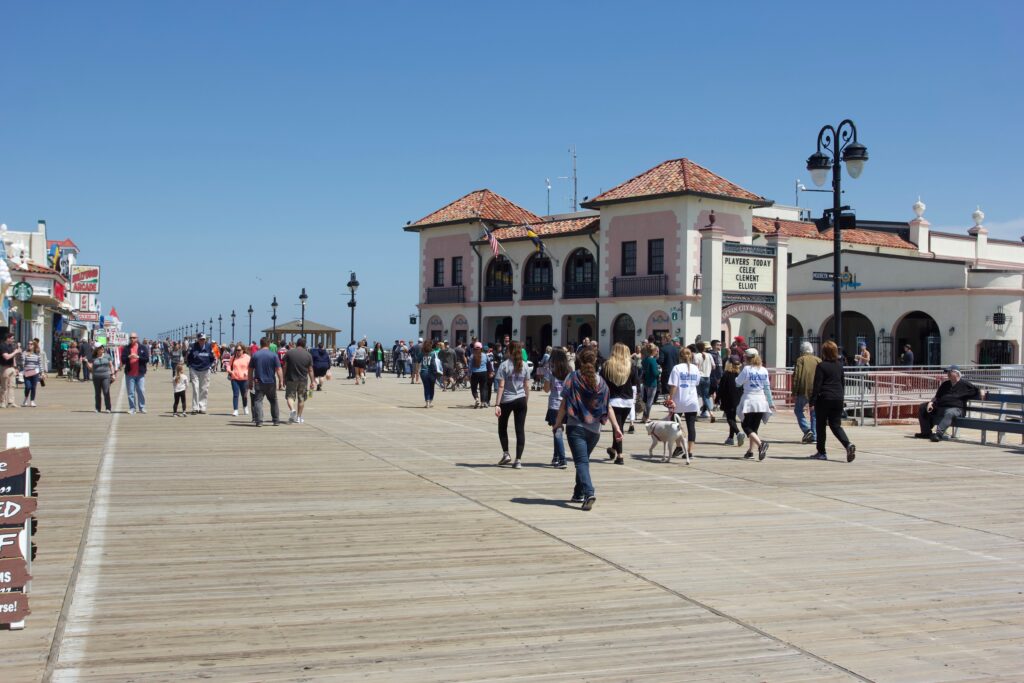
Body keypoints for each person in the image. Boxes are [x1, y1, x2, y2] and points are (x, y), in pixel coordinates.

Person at [551, 347, 618, 511]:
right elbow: (608, 407)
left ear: (580, 361)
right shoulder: (601, 383)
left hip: (576, 427)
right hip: (594, 431)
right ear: (595, 361)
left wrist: (557, 423)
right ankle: (578, 493)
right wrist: (617, 428)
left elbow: (564, 403)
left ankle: (589, 493)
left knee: (581, 462)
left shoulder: (573, 378)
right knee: (583, 461)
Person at [810, 340, 857, 461]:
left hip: (824, 398)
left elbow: (817, 385)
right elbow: (842, 383)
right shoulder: (839, 365)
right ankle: (848, 444)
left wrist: (812, 401)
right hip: (838, 398)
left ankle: (821, 452)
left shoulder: (821, 366)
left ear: (824, 352)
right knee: (835, 425)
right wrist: (841, 397)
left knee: (820, 425)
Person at [916, 365, 983, 442]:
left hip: (957, 409)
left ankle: (938, 434)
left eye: (949, 372)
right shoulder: (945, 384)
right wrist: (931, 402)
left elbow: (977, 390)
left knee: (949, 412)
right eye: (947, 372)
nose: (948, 374)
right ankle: (925, 433)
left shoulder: (965, 384)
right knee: (923, 407)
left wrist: (981, 391)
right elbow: (937, 397)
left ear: (956, 373)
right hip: (941, 407)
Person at [494, 340, 531, 469]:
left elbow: (501, 386)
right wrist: (526, 401)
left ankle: (506, 453)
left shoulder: (504, 365)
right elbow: (527, 386)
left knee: (502, 427)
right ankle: (518, 460)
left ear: (509, 350)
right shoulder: (525, 365)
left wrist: (497, 404)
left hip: (507, 400)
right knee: (519, 430)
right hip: (521, 399)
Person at [601, 343, 636, 465]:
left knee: (617, 428)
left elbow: (602, 383)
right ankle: (613, 449)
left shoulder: (607, 365)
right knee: (619, 427)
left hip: (613, 400)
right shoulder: (631, 366)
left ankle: (620, 456)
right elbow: (635, 383)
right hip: (628, 401)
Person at [736, 348, 774, 461]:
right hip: (761, 401)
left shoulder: (747, 369)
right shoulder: (763, 370)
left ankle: (761, 444)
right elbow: (767, 387)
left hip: (750, 400)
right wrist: (770, 402)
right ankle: (750, 451)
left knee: (746, 426)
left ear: (747, 358)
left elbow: (738, 383)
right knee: (754, 428)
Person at [666, 347, 701, 459]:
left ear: (680, 356)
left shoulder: (677, 368)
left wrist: (670, 398)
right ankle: (690, 451)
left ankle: (679, 446)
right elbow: (696, 383)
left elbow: (674, 385)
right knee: (691, 426)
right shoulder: (695, 369)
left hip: (679, 401)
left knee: (674, 425)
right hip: (692, 401)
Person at [543, 347, 570, 469]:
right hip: (566, 404)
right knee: (557, 430)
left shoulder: (550, 370)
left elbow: (546, 389)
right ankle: (556, 457)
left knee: (557, 431)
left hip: (555, 404)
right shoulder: (569, 370)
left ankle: (563, 459)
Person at [248, 337, 284, 427]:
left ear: (261, 344)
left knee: (258, 401)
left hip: (258, 382)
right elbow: (279, 369)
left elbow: (250, 370)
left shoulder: (255, 355)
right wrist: (281, 381)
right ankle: (276, 420)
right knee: (273, 401)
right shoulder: (274, 355)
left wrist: (250, 382)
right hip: (271, 382)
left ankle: (259, 421)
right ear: (268, 344)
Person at [792, 341, 820, 445]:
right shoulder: (818, 360)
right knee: (814, 413)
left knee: (798, 410)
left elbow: (797, 376)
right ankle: (815, 436)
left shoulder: (800, 359)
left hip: (803, 389)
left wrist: (794, 391)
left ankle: (807, 430)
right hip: (816, 390)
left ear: (802, 350)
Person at [283, 338, 314, 423]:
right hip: (303, 380)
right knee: (301, 399)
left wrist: (282, 378)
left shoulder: (289, 353)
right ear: (304, 345)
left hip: (291, 379)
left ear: (296, 344)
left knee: (290, 397)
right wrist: (312, 381)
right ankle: (299, 417)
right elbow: (310, 370)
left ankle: (292, 409)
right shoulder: (308, 355)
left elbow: (284, 366)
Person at [120, 332, 149, 414]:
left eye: (134, 337)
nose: (132, 339)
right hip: (130, 373)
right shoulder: (126, 348)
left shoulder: (142, 347)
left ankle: (142, 407)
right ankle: (132, 408)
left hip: (140, 373)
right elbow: (123, 359)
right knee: (131, 392)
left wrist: (138, 357)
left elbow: (146, 359)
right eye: (131, 338)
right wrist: (129, 357)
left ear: (137, 338)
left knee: (141, 390)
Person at [186, 332, 215, 414]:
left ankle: (202, 407)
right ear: (197, 339)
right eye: (200, 339)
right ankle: (195, 407)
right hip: (194, 369)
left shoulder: (209, 346)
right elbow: (188, 357)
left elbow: (212, 357)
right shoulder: (192, 346)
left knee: (204, 389)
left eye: (203, 339)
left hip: (205, 369)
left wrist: (210, 366)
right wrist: (190, 366)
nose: (202, 341)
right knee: (195, 388)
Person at [718, 355, 743, 446]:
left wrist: (717, 399)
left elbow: (721, 389)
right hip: (738, 399)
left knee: (730, 419)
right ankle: (730, 438)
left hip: (728, 400)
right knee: (733, 418)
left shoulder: (726, 375)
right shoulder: (740, 375)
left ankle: (738, 432)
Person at [88, 346, 116, 413]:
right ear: (97, 350)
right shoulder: (93, 357)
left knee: (106, 392)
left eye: (103, 348)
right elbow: (91, 368)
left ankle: (108, 408)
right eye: (100, 349)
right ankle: (97, 408)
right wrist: (87, 363)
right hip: (96, 376)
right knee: (97, 393)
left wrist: (113, 374)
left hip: (106, 376)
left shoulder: (107, 356)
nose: (102, 350)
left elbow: (111, 365)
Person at [20, 339, 46, 407]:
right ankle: (25, 399)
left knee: (33, 387)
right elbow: (22, 362)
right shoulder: (25, 352)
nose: (29, 345)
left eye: (31, 344)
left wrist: (42, 372)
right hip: (27, 372)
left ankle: (32, 401)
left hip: (35, 372)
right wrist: (22, 367)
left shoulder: (37, 354)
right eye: (28, 344)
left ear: (34, 345)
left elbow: (40, 363)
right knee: (28, 386)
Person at [227, 344, 251, 416]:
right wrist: (229, 371)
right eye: (237, 350)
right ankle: (235, 410)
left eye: (239, 350)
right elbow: (228, 365)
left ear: (243, 350)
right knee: (235, 394)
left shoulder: (247, 357)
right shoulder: (233, 357)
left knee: (244, 395)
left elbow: (250, 367)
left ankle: (245, 407)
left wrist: (246, 373)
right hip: (235, 379)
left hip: (244, 379)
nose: (238, 351)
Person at [639, 342, 660, 423]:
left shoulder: (645, 360)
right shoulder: (653, 360)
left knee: (647, 399)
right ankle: (646, 416)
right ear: (653, 351)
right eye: (656, 351)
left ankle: (644, 416)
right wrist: (659, 371)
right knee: (650, 401)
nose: (657, 352)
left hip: (645, 382)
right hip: (652, 382)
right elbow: (655, 373)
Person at [695, 342, 716, 421]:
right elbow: (714, 366)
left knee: (697, 395)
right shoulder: (709, 355)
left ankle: (696, 412)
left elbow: (695, 367)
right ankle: (711, 412)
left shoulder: (696, 356)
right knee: (706, 396)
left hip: (699, 377)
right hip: (707, 377)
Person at [468, 342, 492, 408]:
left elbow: (469, 367)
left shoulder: (472, 356)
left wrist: (469, 375)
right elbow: (489, 365)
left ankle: (477, 399)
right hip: (483, 373)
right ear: (481, 349)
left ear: (474, 349)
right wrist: (490, 372)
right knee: (483, 388)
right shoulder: (485, 355)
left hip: (475, 374)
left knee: (474, 388)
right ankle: (483, 402)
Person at [0, 333, 20, 408]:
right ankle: (2, 402)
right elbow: (6, 357)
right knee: (4, 386)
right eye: (12, 338)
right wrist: (15, 352)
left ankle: (11, 402)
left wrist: (15, 367)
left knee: (12, 385)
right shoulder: (2, 346)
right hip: (4, 367)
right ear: (7, 338)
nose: (13, 340)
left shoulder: (11, 346)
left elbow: (13, 357)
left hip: (11, 367)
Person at [419, 338, 439, 407]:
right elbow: (434, 363)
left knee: (426, 387)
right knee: (432, 387)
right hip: (431, 372)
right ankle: (430, 400)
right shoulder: (433, 353)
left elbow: (418, 361)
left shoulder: (421, 353)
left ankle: (427, 401)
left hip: (423, 372)